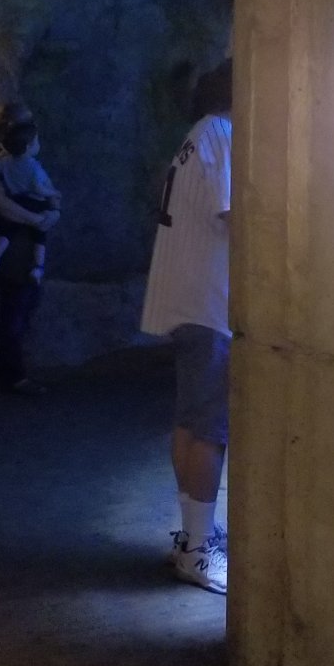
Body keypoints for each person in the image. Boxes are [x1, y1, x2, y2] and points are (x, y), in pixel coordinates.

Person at [140, 60, 233, 594]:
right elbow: (231, 212)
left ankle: (191, 537)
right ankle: (197, 553)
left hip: (189, 297)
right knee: (210, 428)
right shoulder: (220, 133)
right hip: (209, 302)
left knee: (190, 422)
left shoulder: (195, 136)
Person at [0, 113, 60, 394]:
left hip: (14, 242)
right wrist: (39, 216)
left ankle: (8, 372)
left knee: (16, 307)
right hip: (22, 249)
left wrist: (48, 212)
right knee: (16, 308)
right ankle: (13, 376)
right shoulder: (14, 166)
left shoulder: (1, 164)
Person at [0, 121, 62, 285]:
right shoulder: (33, 167)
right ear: (27, 147)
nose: (38, 144)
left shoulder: (6, 162)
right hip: (35, 202)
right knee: (39, 237)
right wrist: (53, 192)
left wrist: (3, 152)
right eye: (36, 142)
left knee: (7, 232)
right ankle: (38, 267)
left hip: (16, 199)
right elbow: (39, 188)